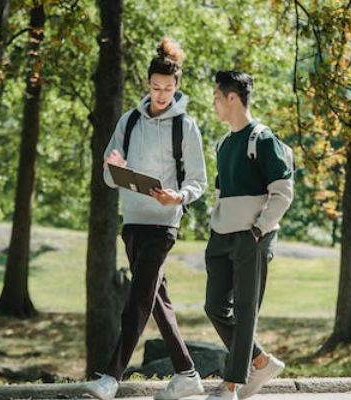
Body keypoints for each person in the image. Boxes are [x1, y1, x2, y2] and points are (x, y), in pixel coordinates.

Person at [87, 37, 207, 400]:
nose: (162, 94)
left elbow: (198, 181)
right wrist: (113, 167)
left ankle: (111, 376)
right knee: (155, 299)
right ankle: (187, 374)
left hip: (164, 224)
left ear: (177, 86)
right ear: (148, 84)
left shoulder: (185, 126)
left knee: (137, 299)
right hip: (133, 223)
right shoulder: (129, 121)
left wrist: (178, 196)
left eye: (168, 88)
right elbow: (108, 175)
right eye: (156, 87)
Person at [204, 71, 293, 400]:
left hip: (252, 237)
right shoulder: (223, 143)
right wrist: (215, 225)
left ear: (232, 98)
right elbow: (221, 192)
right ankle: (261, 361)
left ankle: (230, 385)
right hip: (221, 236)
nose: (214, 104)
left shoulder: (262, 139)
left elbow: (283, 192)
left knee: (244, 311)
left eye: (217, 97)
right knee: (214, 306)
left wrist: (259, 228)